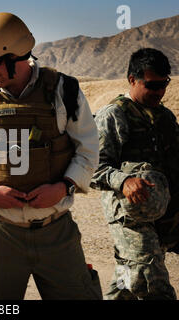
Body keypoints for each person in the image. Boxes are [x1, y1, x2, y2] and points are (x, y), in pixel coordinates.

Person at [0, 12, 101, 300]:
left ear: (17, 55)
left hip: (56, 231)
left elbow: (88, 149)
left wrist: (63, 187)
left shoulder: (63, 91)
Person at [90, 48, 178, 300]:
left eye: (164, 84)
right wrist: (124, 180)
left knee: (127, 281)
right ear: (132, 79)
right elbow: (92, 167)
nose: (159, 92)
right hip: (129, 217)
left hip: (162, 211)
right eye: (152, 85)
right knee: (153, 283)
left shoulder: (165, 117)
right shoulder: (114, 115)